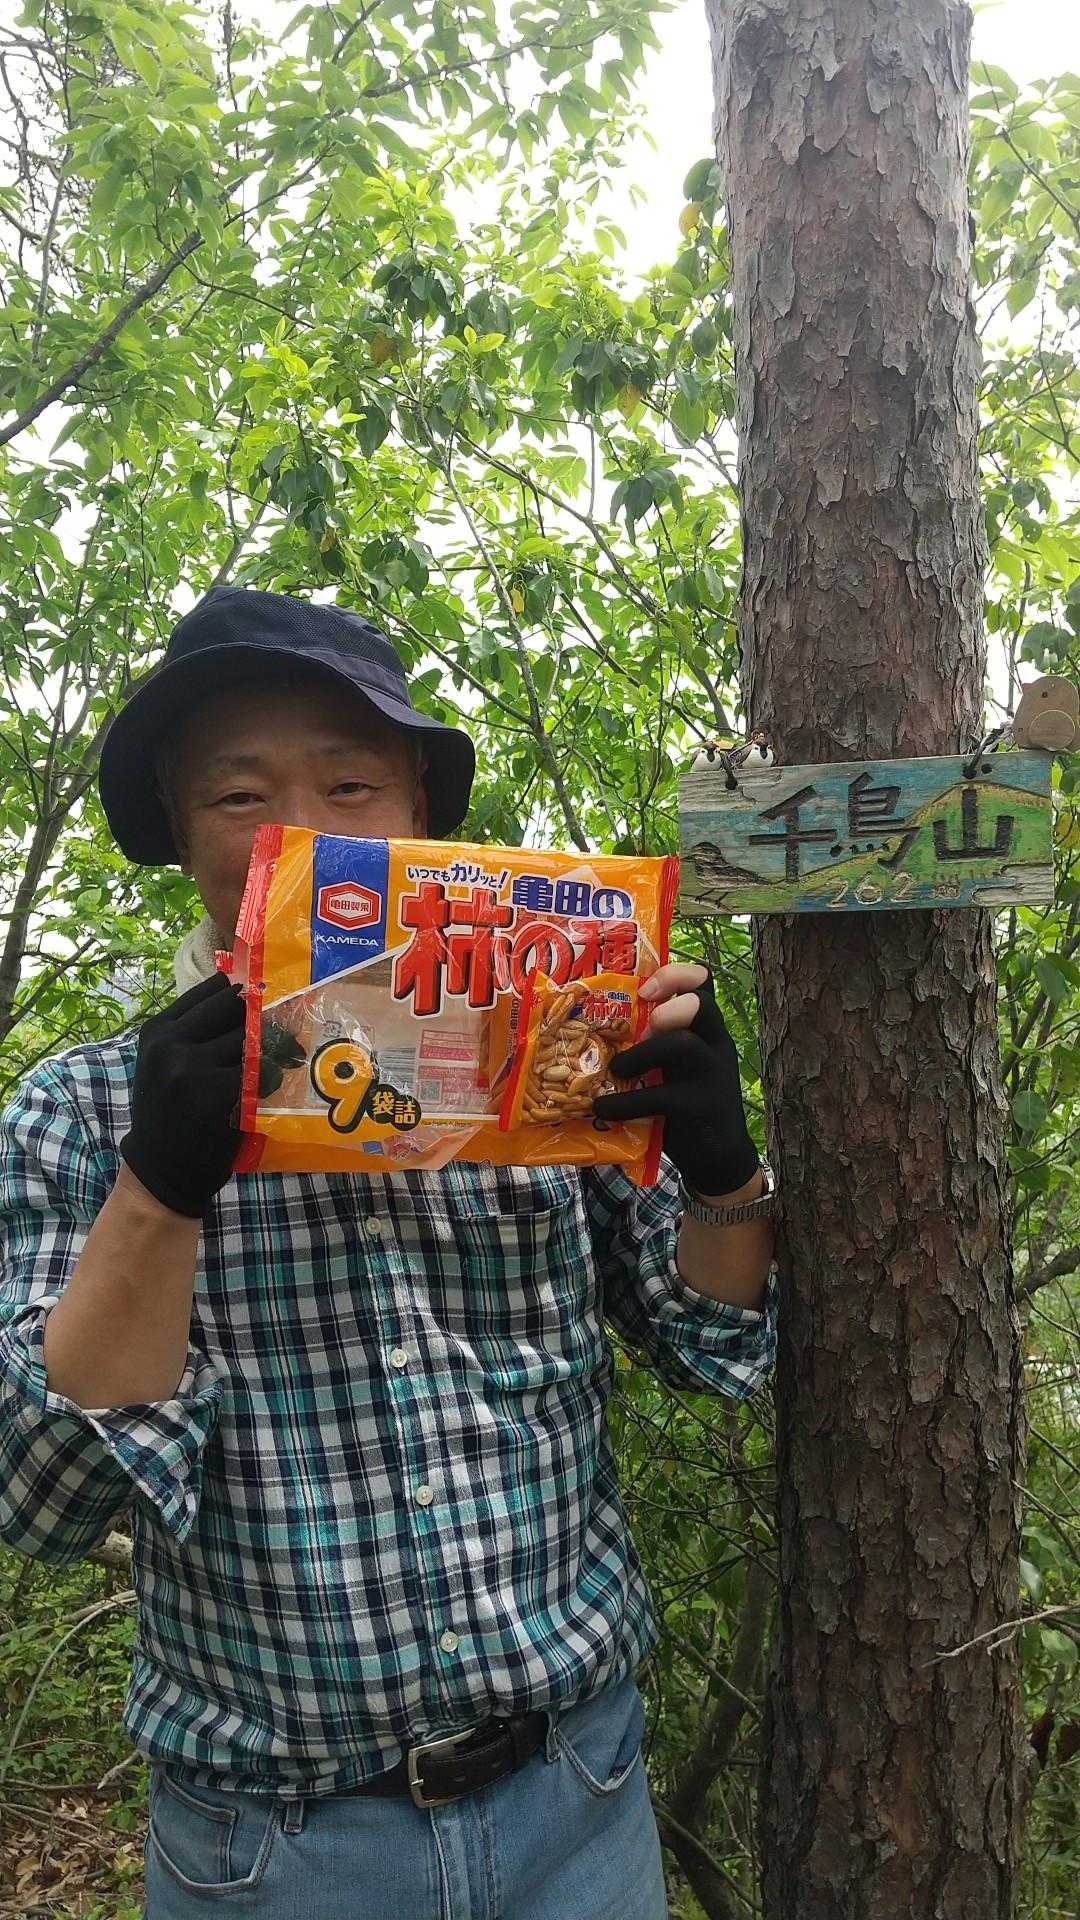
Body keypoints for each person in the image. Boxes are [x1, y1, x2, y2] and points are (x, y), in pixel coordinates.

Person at [0, 588, 780, 1920]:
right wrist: (159, 1188)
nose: (304, 830)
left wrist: (720, 1169)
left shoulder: (547, 1050)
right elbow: (48, 1498)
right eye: (240, 796)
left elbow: (714, 1345)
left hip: (579, 1802)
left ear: (419, 808)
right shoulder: (82, 1110)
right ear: (180, 831)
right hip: (276, 1851)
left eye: (351, 783)